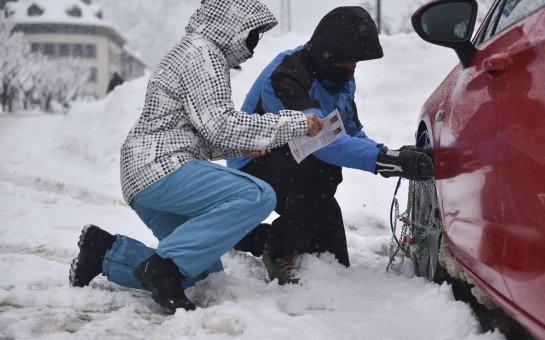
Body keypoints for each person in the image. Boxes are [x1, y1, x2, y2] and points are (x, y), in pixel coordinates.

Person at [68, 0, 324, 313]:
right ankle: (162, 269)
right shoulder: (204, 53)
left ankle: (105, 251)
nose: (254, 46)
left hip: (143, 174)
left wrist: (240, 146)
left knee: (201, 273)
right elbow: (219, 125)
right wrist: (295, 124)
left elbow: (196, 134)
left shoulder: (192, 50)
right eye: (252, 35)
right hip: (160, 167)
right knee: (258, 195)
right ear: (234, 24)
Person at [227, 6, 434, 284]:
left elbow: (350, 132)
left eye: (356, 61)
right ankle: (276, 251)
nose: (353, 66)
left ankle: (245, 237)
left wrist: (394, 154)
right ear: (329, 51)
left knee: (332, 254)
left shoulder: (341, 78)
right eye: (348, 60)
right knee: (322, 172)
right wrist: (385, 160)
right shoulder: (286, 75)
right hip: (253, 167)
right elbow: (321, 142)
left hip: (295, 165)